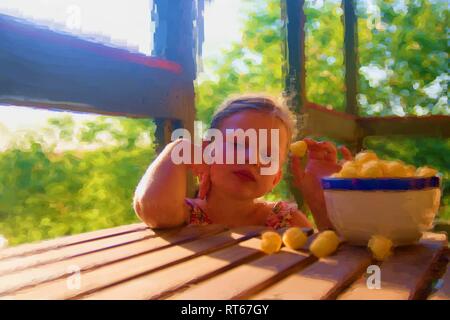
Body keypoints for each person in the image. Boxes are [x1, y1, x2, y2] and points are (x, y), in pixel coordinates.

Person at [133, 95, 352, 231]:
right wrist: (177, 149)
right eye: (237, 144)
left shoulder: (286, 221)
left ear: (275, 177)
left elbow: (329, 267)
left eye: (268, 155)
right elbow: (155, 210)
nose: (253, 159)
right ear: (208, 150)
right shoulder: (185, 215)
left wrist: (321, 205)